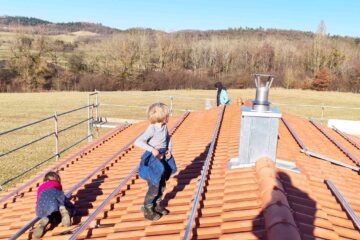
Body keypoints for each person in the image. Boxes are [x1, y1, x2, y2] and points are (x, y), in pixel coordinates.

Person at [134, 102, 177, 221]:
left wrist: (169, 150)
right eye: (167, 115)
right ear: (162, 117)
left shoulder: (164, 126)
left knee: (162, 183)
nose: (169, 117)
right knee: (154, 185)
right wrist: (152, 149)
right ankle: (148, 208)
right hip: (153, 159)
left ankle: (157, 205)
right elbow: (138, 142)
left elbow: (168, 138)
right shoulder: (152, 129)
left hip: (162, 156)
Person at [34, 171, 76, 238]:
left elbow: (37, 201)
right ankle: (65, 210)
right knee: (66, 205)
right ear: (57, 179)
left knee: (49, 214)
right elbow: (60, 196)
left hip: (42, 203)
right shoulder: (57, 184)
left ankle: (44, 220)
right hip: (55, 196)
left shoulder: (40, 188)